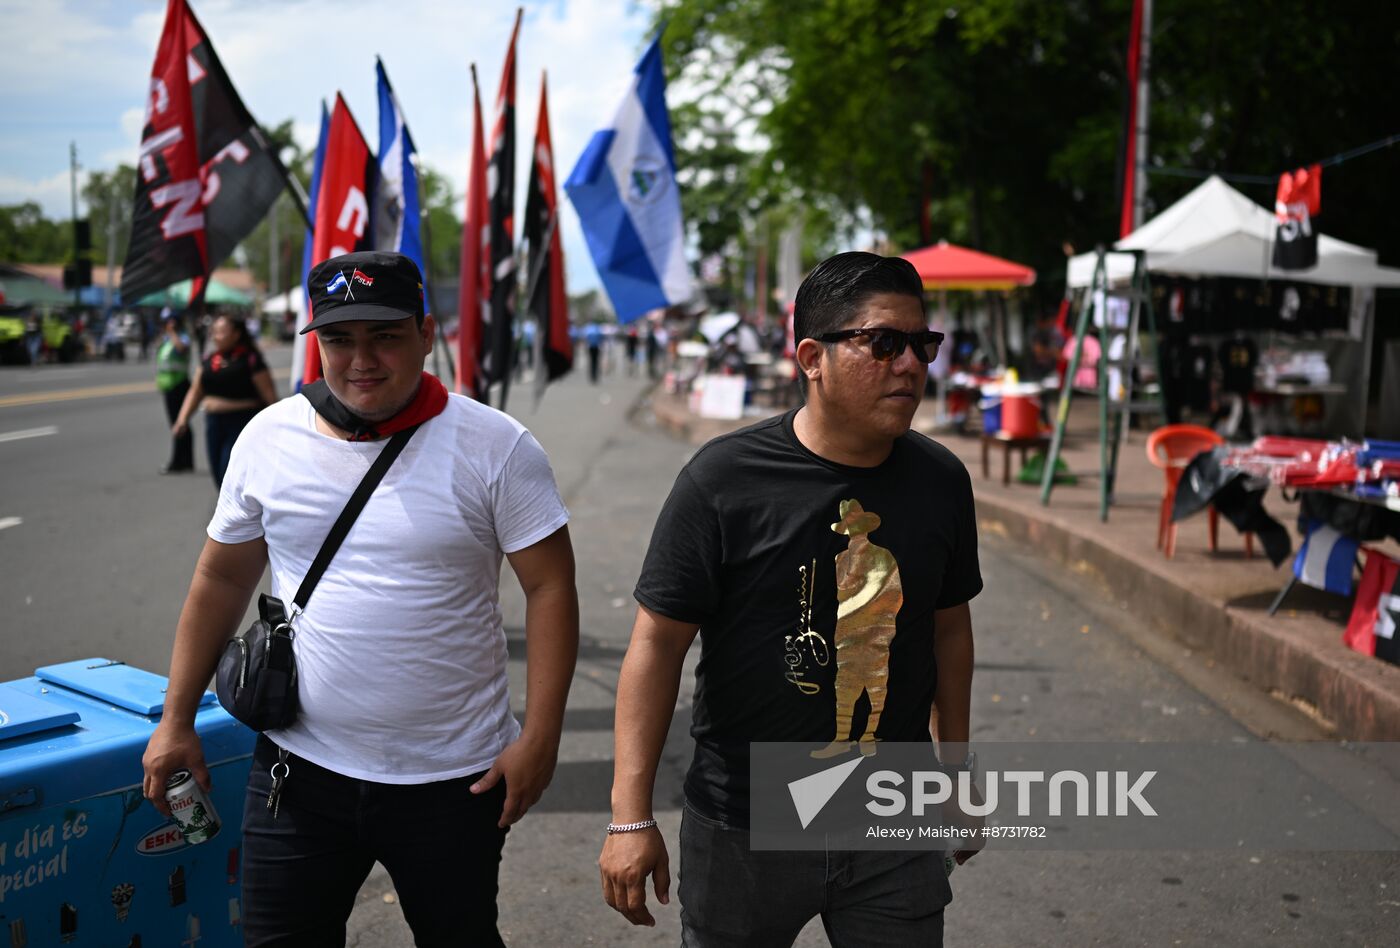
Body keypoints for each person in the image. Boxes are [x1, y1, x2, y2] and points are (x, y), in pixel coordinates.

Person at [141, 251, 580, 947]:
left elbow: (550, 586)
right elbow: (221, 580)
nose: (361, 359)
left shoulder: (496, 446)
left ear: (427, 333)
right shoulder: (268, 438)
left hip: (454, 781)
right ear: (313, 340)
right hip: (297, 771)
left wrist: (541, 737)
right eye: (338, 339)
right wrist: (175, 720)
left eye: (385, 336)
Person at [600, 252, 983, 945]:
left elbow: (950, 630)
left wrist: (953, 771)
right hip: (746, 820)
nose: (911, 365)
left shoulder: (941, 480)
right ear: (812, 356)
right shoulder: (723, 480)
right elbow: (656, 646)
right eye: (884, 343)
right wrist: (630, 817)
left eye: (922, 345)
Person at [171, 313, 276, 488]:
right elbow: (195, 392)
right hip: (214, 424)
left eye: (222, 332)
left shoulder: (250, 360)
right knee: (217, 475)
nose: (216, 336)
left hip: (241, 424)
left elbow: (270, 399)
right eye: (214, 332)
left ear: (236, 334)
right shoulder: (210, 360)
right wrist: (182, 419)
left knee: (228, 474)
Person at [155, 314, 195, 474]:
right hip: (168, 386)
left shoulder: (182, 337)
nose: (168, 325)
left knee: (179, 424)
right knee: (178, 423)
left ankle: (179, 461)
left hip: (180, 385)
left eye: (171, 322)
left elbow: (181, 349)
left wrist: (172, 333)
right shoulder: (166, 339)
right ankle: (185, 461)